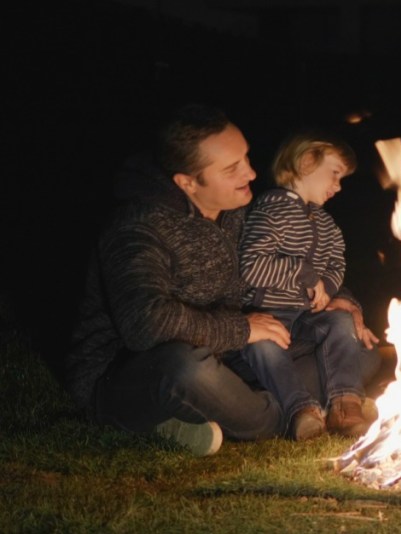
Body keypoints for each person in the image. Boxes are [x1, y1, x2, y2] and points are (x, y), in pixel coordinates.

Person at [64, 104, 377, 456]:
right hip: (134, 372)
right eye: (233, 169)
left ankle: (207, 415)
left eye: (245, 158)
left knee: (361, 354)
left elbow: (292, 262)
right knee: (184, 369)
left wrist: (340, 299)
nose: (252, 172)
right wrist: (242, 329)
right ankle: (281, 414)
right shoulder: (136, 229)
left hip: (230, 358)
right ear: (187, 182)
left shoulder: (240, 211)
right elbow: (146, 324)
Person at [239, 135, 379, 441]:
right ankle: (301, 411)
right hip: (267, 314)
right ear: (305, 163)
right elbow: (251, 265)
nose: (338, 186)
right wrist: (304, 275)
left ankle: (345, 405)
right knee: (262, 345)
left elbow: (336, 265)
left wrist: (326, 287)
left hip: (304, 316)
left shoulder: (327, 224)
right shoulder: (269, 209)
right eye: (335, 173)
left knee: (341, 323)